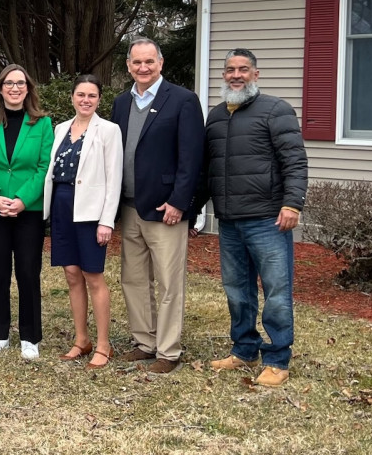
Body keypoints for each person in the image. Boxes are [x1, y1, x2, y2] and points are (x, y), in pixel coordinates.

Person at [198, 49, 307, 387]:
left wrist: (292, 204)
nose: (236, 75)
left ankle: (277, 358)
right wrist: (190, 211)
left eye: (243, 69)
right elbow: (208, 171)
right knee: (237, 289)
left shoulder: (276, 110)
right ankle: (244, 349)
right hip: (228, 221)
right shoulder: (215, 116)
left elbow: (295, 160)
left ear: (256, 75)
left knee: (276, 290)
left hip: (267, 220)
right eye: (230, 69)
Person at [110, 38, 205, 374]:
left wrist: (180, 201)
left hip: (166, 209)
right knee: (133, 279)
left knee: (168, 282)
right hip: (130, 207)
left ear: (160, 63)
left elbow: (192, 157)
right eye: (137, 62)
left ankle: (168, 350)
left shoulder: (182, 101)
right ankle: (144, 342)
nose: (143, 68)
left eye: (149, 61)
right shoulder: (121, 103)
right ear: (128, 65)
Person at [0, 65, 52, 359]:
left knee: (28, 271)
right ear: (0, 88)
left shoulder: (42, 124)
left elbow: (44, 167)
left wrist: (21, 199)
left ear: (28, 88)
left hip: (28, 210)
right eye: (9, 83)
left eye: (20, 83)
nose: (15, 88)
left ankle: (30, 337)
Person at [44, 75, 123, 369]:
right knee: (72, 275)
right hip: (62, 208)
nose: (86, 100)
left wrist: (107, 221)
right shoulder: (61, 128)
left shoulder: (108, 130)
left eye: (92, 95)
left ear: (99, 100)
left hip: (91, 213)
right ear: (72, 97)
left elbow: (114, 179)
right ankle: (82, 340)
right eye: (81, 94)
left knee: (93, 276)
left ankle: (103, 345)